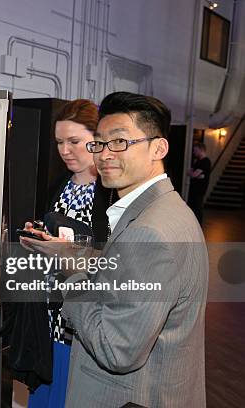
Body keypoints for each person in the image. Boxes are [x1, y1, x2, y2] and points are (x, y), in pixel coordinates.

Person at [24, 91, 208, 407]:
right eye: (100, 143)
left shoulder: (151, 231)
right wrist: (71, 252)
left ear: (158, 148)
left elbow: (116, 350)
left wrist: (72, 278)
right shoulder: (167, 210)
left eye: (120, 142)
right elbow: (127, 270)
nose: (106, 154)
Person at [18, 99, 113, 408]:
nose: (65, 150)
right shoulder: (60, 184)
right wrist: (36, 240)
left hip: (80, 314)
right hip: (46, 310)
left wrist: (68, 251)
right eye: (60, 142)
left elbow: (114, 258)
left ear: (97, 140)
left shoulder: (110, 192)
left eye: (74, 141)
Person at [187, 142, 211, 224]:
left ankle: (198, 227)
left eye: (195, 150)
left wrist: (194, 175)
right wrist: (197, 175)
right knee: (192, 207)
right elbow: (189, 172)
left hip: (199, 190)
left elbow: (193, 174)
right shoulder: (197, 161)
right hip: (194, 188)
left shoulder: (206, 162)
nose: (194, 152)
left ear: (201, 150)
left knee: (197, 208)